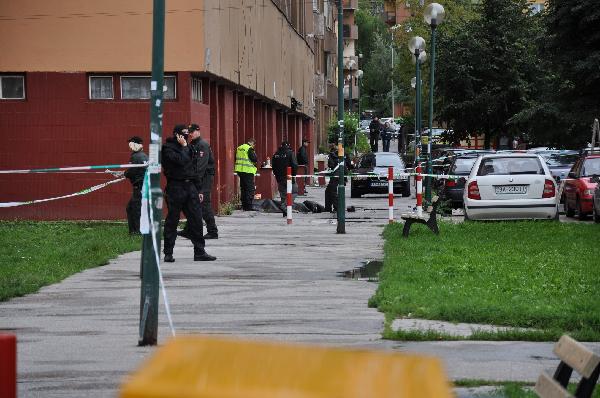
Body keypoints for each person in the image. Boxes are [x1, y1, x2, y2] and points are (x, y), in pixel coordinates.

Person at [162, 124, 216, 263]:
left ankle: (200, 252)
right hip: (175, 186)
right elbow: (181, 161)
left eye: (187, 134)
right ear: (176, 135)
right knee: (172, 221)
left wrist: (199, 189)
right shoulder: (168, 148)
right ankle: (168, 252)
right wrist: (185, 147)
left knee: (196, 220)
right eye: (183, 134)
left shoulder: (190, 147)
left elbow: (194, 169)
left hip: (190, 186)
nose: (186, 136)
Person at [178, 123, 219, 240]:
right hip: (196, 178)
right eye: (188, 132)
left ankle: (212, 231)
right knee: (192, 203)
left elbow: (201, 167)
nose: (190, 134)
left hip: (204, 178)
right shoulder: (193, 144)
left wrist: (195, 182)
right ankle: (188, 230)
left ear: (198, 131)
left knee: (204, 203)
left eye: (192, 131)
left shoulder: (203, 145)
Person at [124, 136, 148, 235]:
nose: (129, 147)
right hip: (145, 186)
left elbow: (131, 172)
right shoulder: (145, 156)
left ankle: (137, 231)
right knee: (131, 207)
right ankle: (135, 231)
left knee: (135, 209)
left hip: (139, 187)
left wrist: (124, 174)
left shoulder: (135, 156)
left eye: (130, 144)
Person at [272, 141, 298, 216]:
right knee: (294, 191)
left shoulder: (276, 154)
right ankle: (284, 206)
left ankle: (285, 212)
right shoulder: (290, 153)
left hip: (279, 178)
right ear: (288, 146)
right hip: (288, 177)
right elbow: (294, 165)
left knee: (283, 195)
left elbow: (273, 167)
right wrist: (293, 175)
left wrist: (277, 176)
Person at [235, 138, 258, 211]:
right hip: (248, 171)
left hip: (240, 170)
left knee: (243, 188)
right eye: (254, 145)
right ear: (252, 143)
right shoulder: (249, 149)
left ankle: (244, 205)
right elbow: (254, 159)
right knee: (249, 188)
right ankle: (248, 206)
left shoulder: (239, 148)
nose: (253, 147)